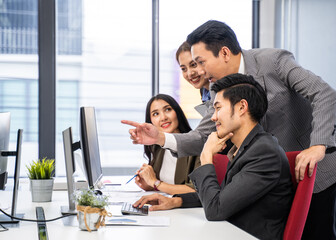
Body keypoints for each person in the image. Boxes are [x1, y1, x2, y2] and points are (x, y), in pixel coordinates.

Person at [122, 20, 336, 239]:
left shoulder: (273, 61)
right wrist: (160, 137)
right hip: (267, 179)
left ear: (224, 53)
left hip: (312, 166)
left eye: (201, 62)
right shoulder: (218, 90)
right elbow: (202, 135)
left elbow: (324, 93)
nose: (200, 72)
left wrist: (317, 145)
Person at [133, 74, 294, 240]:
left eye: (218, 108)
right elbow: (222, 196)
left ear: (241, 107)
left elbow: (215, 210)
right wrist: (176, 201)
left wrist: (206, 156)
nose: (213, 117)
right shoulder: (247, 148)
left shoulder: (263, 153)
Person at [134, 94, 200, 195]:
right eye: (155, 114)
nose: (163, 117)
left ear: (177, 112)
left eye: (168, 109)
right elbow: (164, 187)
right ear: (150, 122)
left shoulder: (195, 144)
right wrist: (149, 185)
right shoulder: (158, 147)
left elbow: (196, 190)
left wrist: (155, 182)